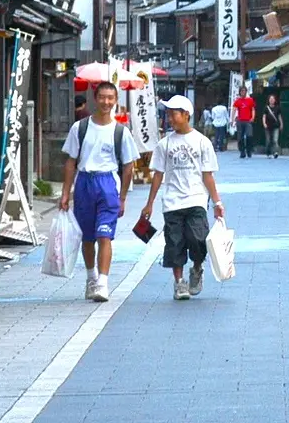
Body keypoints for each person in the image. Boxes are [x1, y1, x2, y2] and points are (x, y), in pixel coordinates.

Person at [137, 95, 225, 301]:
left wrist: (217, 202)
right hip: (172, 201)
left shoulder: (202, 142)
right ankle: (179, 283)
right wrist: (149, 204)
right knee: (174, 243)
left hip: (196, 199)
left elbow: (208, 175)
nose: (169, 119)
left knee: (198, 239)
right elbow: (158, 175)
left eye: (173, 114)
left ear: (186, 115)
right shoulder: (164, 144)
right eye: (168, 114)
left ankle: (197, 268)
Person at [58, 81, 136, 302]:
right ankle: (91, 277)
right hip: (84, 183)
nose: (106, 102)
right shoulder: (80, 128)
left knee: (104, 234)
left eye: (110, 98)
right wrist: (66, 193)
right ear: (95, 98)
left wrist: (122, 198)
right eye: (102, 97)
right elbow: (71, 162)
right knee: (87, 237)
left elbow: (128, 166)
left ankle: (103, 283)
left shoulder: (121, 132)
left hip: (108, 184)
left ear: (116, 100)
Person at [259, 91, 284, 158]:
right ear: (269, 100)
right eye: (270, 99)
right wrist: (264, 123)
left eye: (273, 99)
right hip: (268, 126)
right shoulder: (266, 108)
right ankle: (268, 152)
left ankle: (275, 152)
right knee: (268, 140)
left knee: (275, 140)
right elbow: (264, 116)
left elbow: (279, 117)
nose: (272, 100)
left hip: (276, 126)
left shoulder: (278, 108)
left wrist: (281, 124)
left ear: (275, 100)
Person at [233, 89, 256, 159]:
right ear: (240, 92)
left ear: (246, 92)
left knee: (249, 136)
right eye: (241, 91)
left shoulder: (250, 100)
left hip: (248, 121)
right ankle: (242, 151)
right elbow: (234, 110)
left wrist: (253, 117)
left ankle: (249, 150)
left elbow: (253, 109)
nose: (243, 92)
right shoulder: (237, 101)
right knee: (240, 137)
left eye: (244, 91)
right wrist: (232, 119)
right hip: (240, 121)